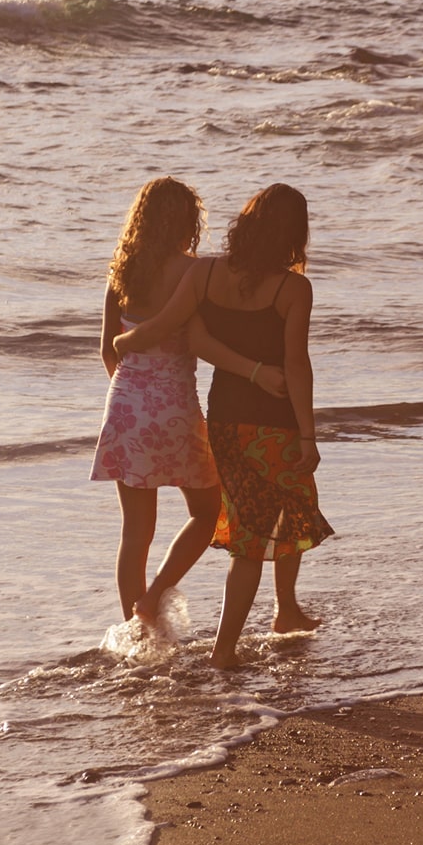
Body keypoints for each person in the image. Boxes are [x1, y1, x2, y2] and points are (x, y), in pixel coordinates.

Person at [119, 183, 333, 667]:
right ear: (295, 235)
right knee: (258, 537)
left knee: (285, 513)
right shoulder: (293, 288)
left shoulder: (206, 273)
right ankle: (225, 650)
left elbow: (182, 332)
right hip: (272, 423)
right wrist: (308, 434)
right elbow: (297, 365)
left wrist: (128, 340)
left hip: (224, 419)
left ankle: (286, 609)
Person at [91, 177, 283, 623]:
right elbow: (199, 341)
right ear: (187, 221)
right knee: (206, 510)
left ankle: (135, 632)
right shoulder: (194, 272)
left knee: (135, 532)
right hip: (176, 407)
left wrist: (132, 394)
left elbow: (107, 348)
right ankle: (154, 594)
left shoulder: (120, 272)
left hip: (125, 405)